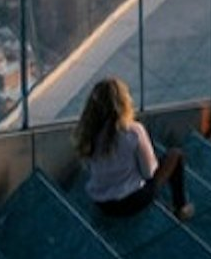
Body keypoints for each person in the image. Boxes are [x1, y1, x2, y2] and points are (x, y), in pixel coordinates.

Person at [75, 76, 193, 221]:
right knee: (175, 155)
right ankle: (181, 208)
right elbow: (149, 172)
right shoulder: (132, 130)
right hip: (132, 201)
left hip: (102, 203)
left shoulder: (90, 132)